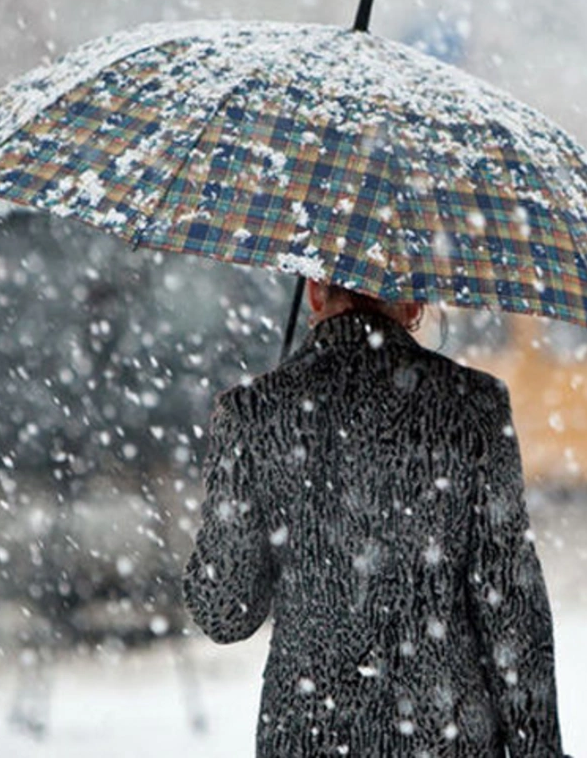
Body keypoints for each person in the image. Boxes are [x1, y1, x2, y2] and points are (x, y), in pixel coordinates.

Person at [183, 280, 567, 758]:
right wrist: (540, 750)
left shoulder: (252, 413)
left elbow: (225, 612)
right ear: (414, 305)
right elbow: (509, 603)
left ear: (315, 294)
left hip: (308, 737)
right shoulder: (474, 406)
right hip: (445, 735)